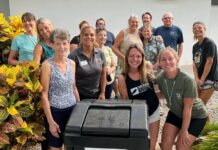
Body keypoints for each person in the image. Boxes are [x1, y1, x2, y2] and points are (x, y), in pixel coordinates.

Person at [156, 47, 208, 150]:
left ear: (177, 60)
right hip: (176, 113)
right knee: (165, 145)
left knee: (181, 146)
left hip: (195, 115)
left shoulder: (187, 80)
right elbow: (163, 94)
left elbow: (187, 108)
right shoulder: (160, 78)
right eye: (163, 59)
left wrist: (184, 131)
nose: (167, 62)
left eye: (170, 58)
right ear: (159, 63)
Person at [40, 28, 80, 150]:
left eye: (64, 43)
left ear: (68, 44)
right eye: (58, 44)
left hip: (72, 110)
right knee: (56, 146)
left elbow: (74, 88)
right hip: (55, 112)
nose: (61, 47)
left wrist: (79, 109)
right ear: (52, 45)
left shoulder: (72, 63)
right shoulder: (47, 65)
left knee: (71, 145)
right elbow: (44, 94)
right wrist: (50, 121)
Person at [118, 44, 160, 150]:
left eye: (138, 56)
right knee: (138, 146)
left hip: (153, 112)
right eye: (131, 56)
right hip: (137, 117)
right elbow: (125, 102)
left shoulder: (148, 68)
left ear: (142, 57)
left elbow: (157, 90)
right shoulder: (122, 78)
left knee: (151, 146)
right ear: (127, 57)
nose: (135, 59)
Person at [68, 26, 106, 100]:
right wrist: (76, 98)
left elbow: (103, 74)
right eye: (86, 35)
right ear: (81, 37)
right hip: (79, 96)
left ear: (95, 37)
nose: (89, 37)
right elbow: (71, 79)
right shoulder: (74, 55)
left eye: (92, 35)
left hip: (97, 96)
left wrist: (102, 93)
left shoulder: (100, 53)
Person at [113, 14, 143, 98]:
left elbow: (149, 35)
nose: (134, 24)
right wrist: (125, 59)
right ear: (129, 22)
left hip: (136, 65)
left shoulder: (139, 33)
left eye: (136, 22)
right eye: (132, 22)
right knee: (124, 89)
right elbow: (114, 48)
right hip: (124, 64)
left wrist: (158, 38)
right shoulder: (123, 32)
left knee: (135, 87)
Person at [192, 21, 217, 105]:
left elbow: (209, 62)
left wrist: (202, 79)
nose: (197, 29)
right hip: (200, 79)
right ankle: (205, 118)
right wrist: (197, 79)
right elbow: (194, 64)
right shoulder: (195, 46)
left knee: (200, 105)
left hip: (210, 78)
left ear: (204, 29)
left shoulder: (209, 43)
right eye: (195, 28)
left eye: (199, 27)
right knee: (199, 104)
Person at [96, 28, 116, 99]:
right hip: (97, 81)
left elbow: (114, 65)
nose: (103, 37)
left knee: (107, 101)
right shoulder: (93, 50)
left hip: (109, 80)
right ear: (96, 36)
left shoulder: (108, 49)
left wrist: (110, 70)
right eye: (100, 35)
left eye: (105, 35)